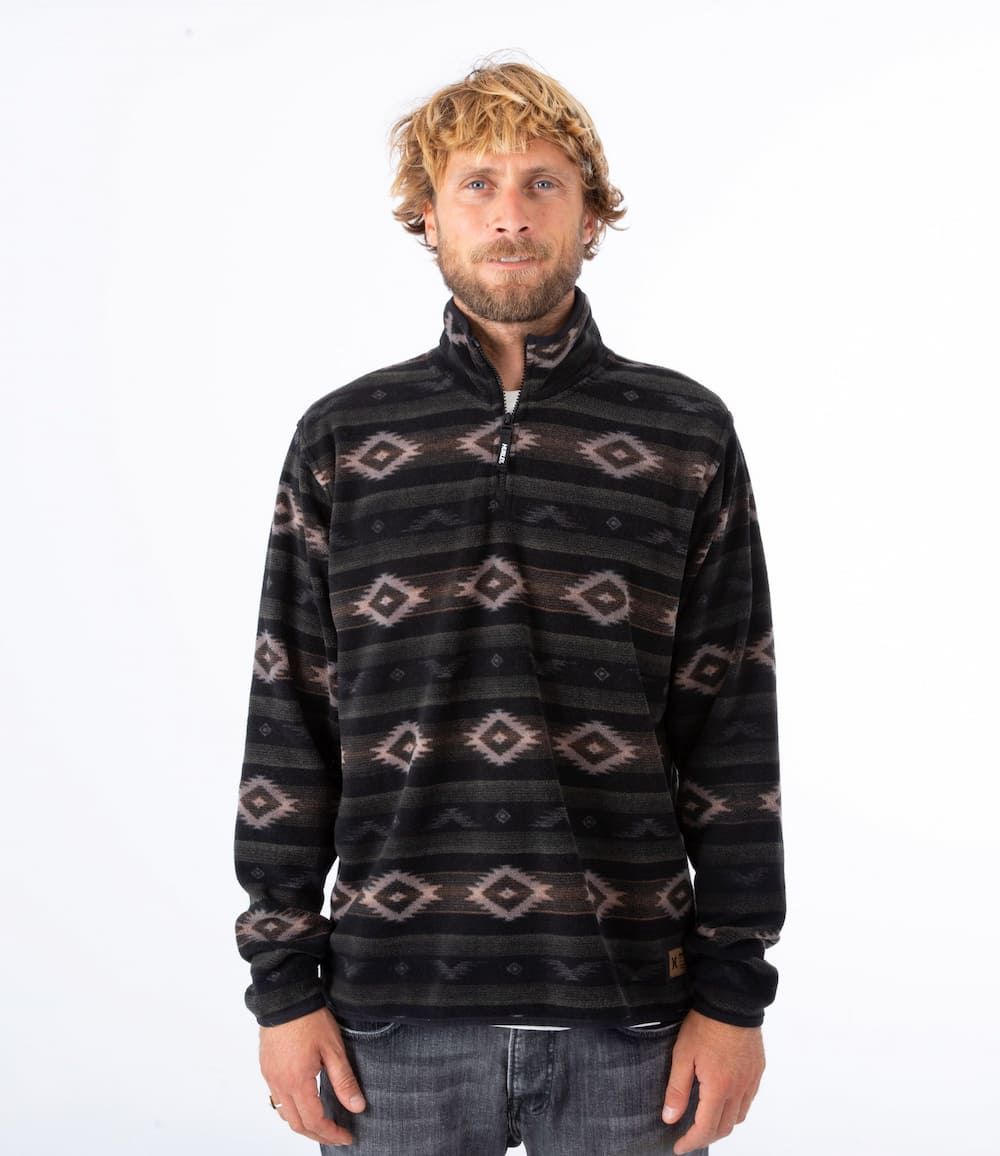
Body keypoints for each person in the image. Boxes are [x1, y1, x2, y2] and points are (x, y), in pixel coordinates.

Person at [233, 57, 785, 1155]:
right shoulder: (345, 438)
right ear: (427, 215)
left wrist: (735, 998)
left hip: (634, 1013)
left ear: (591, 214)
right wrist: (281, 988)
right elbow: (288, 714)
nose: (510, 214)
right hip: (389, 1016)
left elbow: (731, 727)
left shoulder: (685, 435)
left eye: (543, 184)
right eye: (476, 184)